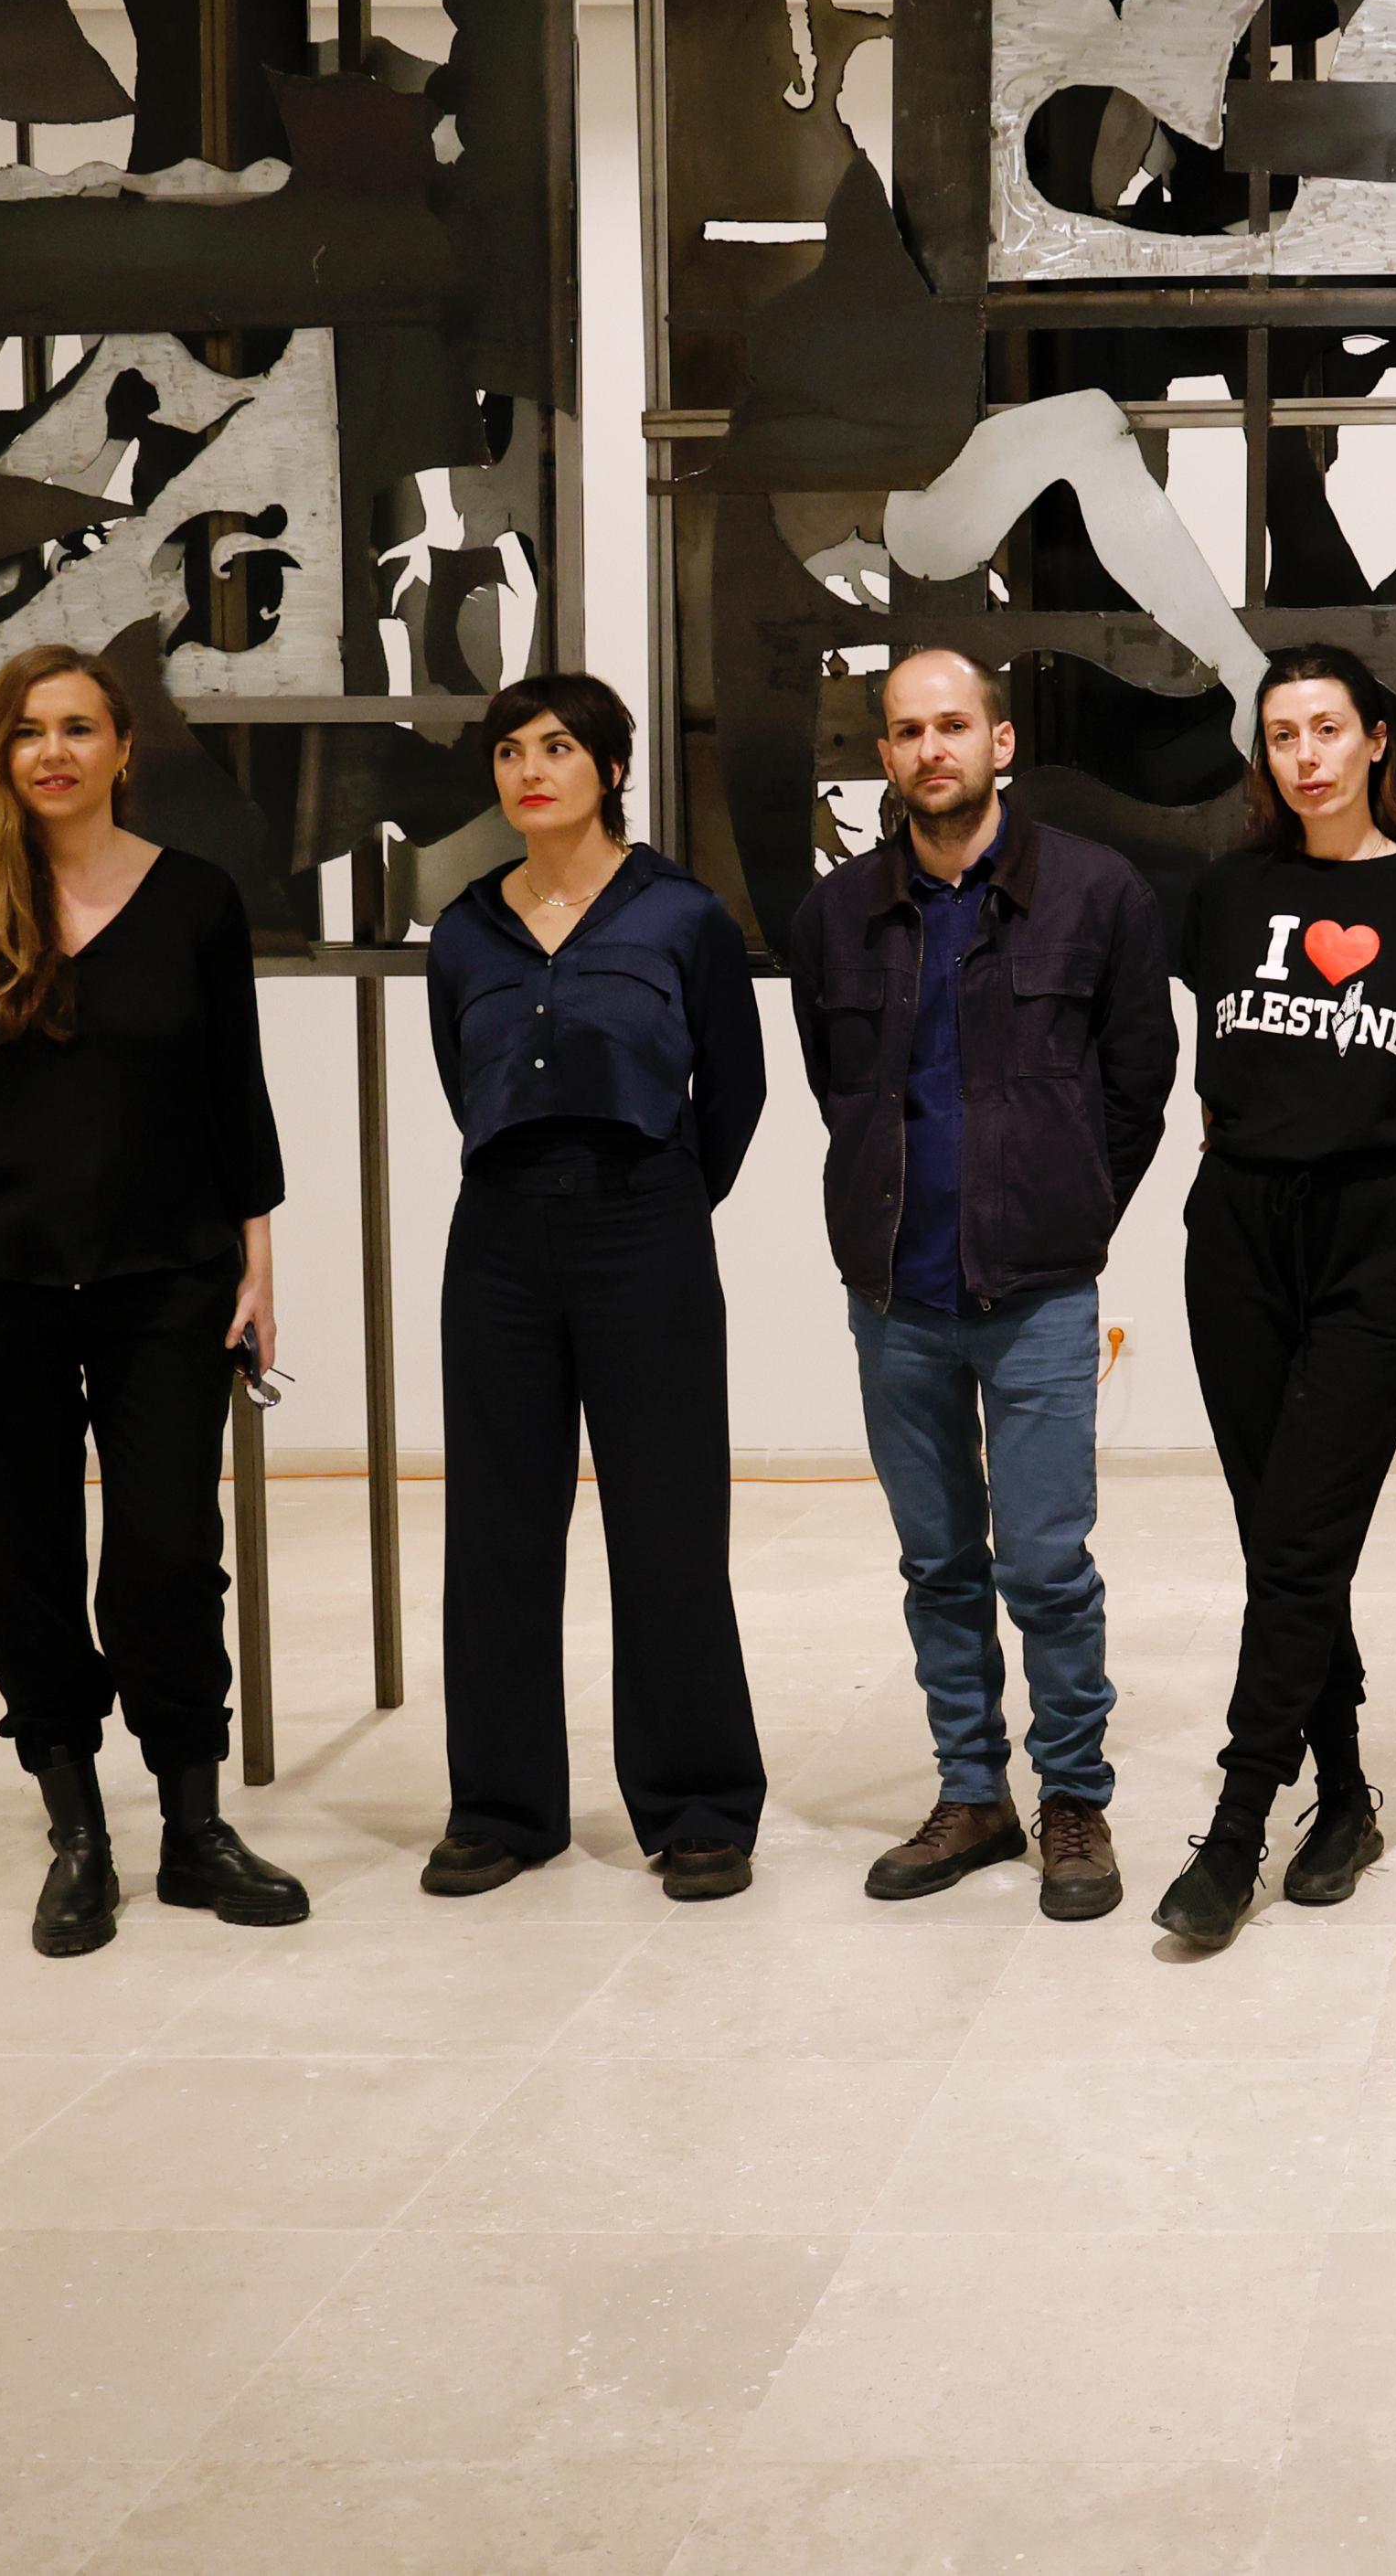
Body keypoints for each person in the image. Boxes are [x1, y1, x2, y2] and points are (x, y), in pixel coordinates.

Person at [0, 642, 309, 1958]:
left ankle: (194, 1827)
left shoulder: (196, 900)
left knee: (169, 1556)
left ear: (123, 749)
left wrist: (257, 1258)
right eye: (27, 730)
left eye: (76, 727)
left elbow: (234, 1091)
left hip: (166, 1278)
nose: (52, 751)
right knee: (23, 1562)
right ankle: (77, 1833)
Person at [789, 649, 1176, 1923]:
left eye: (953, 724)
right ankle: (972, 1791)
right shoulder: (836, 915)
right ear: (886, 755)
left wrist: (1069, 1204)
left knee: (1048, 1564)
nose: (932, 748)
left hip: (1040, 1291)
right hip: (895, 1294)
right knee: (938, 1561)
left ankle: (1073, 1795)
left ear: (1000, 743)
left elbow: (1138, 1082)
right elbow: (838, 1087)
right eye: (908, 731)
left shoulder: (1098, 893)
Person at [1153, 647, 1396, 1947]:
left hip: (1376, 1227)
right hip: (1238, 1227)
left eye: (1328, 729)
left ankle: (1239, 1823)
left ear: (1376, 743)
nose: (1305, 755)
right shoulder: (1226, 891)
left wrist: (1340, 1115)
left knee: (1302, 1530)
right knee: (1280, 1529)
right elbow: (1214, 1068)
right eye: (1283, 734)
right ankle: (1343, 1792)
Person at [419, 671, 774, 1904]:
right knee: (498, 1526)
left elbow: (736, 1088)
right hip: (500, 1237)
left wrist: (663, 1204)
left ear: (612, 768)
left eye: (559, 747)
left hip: (646, 1224)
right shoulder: (464, 929)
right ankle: (501, 1807)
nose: (531, 769)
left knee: (668, 1520)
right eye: (511, 751)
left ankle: (699, 1803)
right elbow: (464, 1083)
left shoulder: (682, 915)